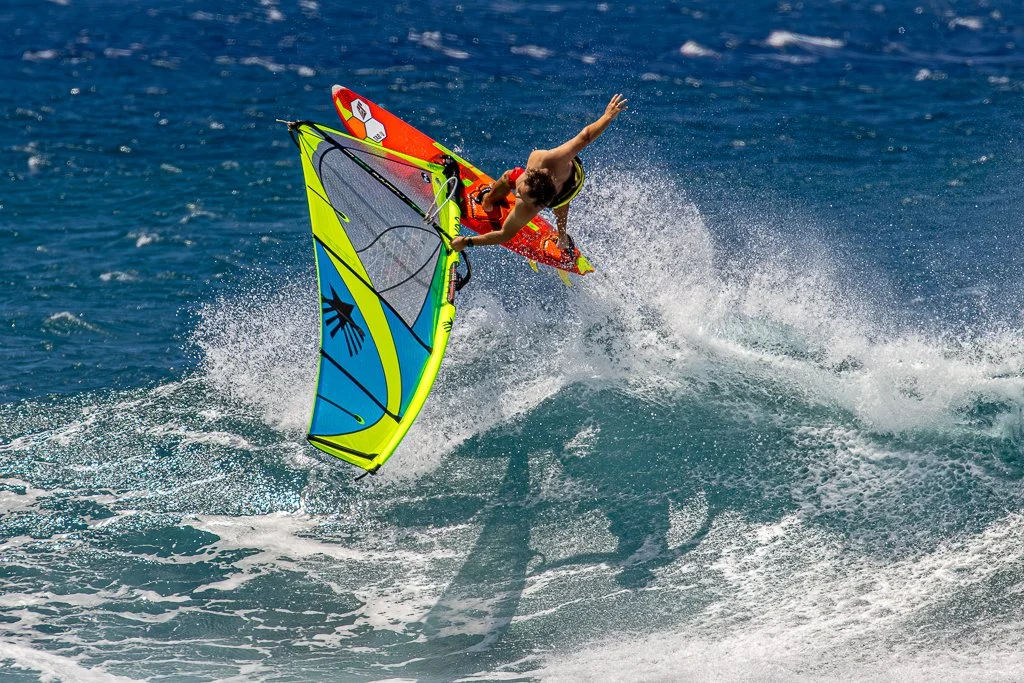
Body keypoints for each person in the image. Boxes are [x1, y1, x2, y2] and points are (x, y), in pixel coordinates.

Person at [450, 94, 628, 254]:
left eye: (521, 196)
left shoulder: (528, 208)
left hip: (573, 182)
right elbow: (585, 136)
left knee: (561, 202)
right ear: (531, 174)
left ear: (538, 205)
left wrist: (467, 242)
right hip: (564, 172)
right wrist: (607, 116)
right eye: (521, 188)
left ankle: (562, 236)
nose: (517, 194)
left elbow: (504, 234)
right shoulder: (546, 159)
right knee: (508, 176)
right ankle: (488, 199)